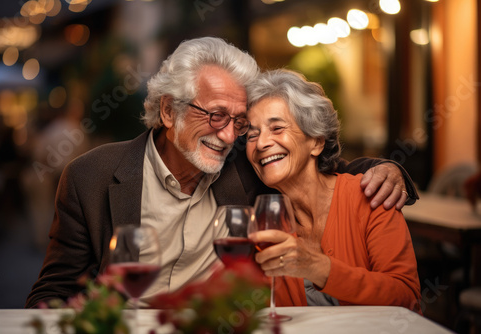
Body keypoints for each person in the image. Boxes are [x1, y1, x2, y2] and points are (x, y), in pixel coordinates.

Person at [25, 37, 418, 308]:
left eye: (238, 121)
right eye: (215, 115)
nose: (229, 135)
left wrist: (387, 168)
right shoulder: (89, 177)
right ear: (168, 111)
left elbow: (311, 164)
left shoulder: (244, 167)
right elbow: (53, 293)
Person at [245, 69, 421, 311]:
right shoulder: (265, 222)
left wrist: (318, 268)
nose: (261, 143)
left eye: (277, 129)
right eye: (251, 135)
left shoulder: (372, 196)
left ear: (316, 142)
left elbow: (406, 297)